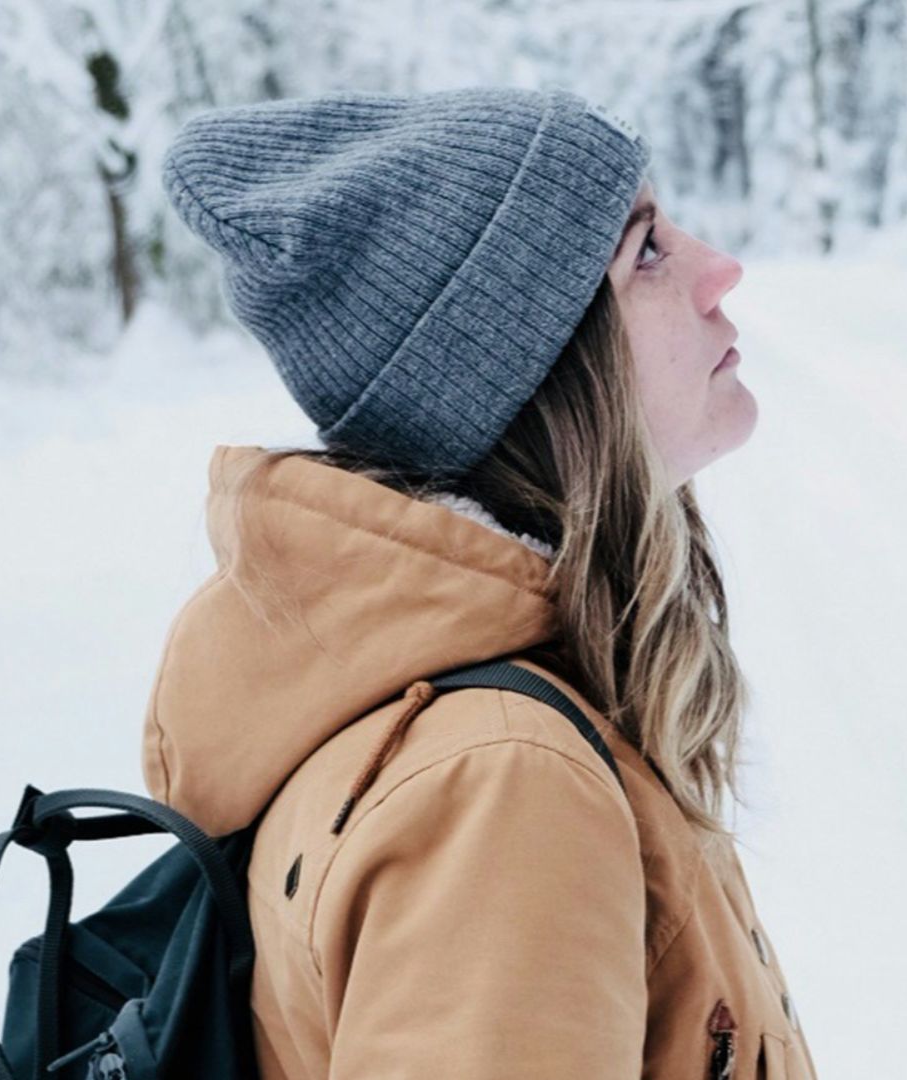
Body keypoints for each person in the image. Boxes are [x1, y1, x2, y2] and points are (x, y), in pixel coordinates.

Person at [146, 85, 818, 1079]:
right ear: (540, 372)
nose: (721, 270)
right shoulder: (501, 788)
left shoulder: (497, 735)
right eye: (644, 250)